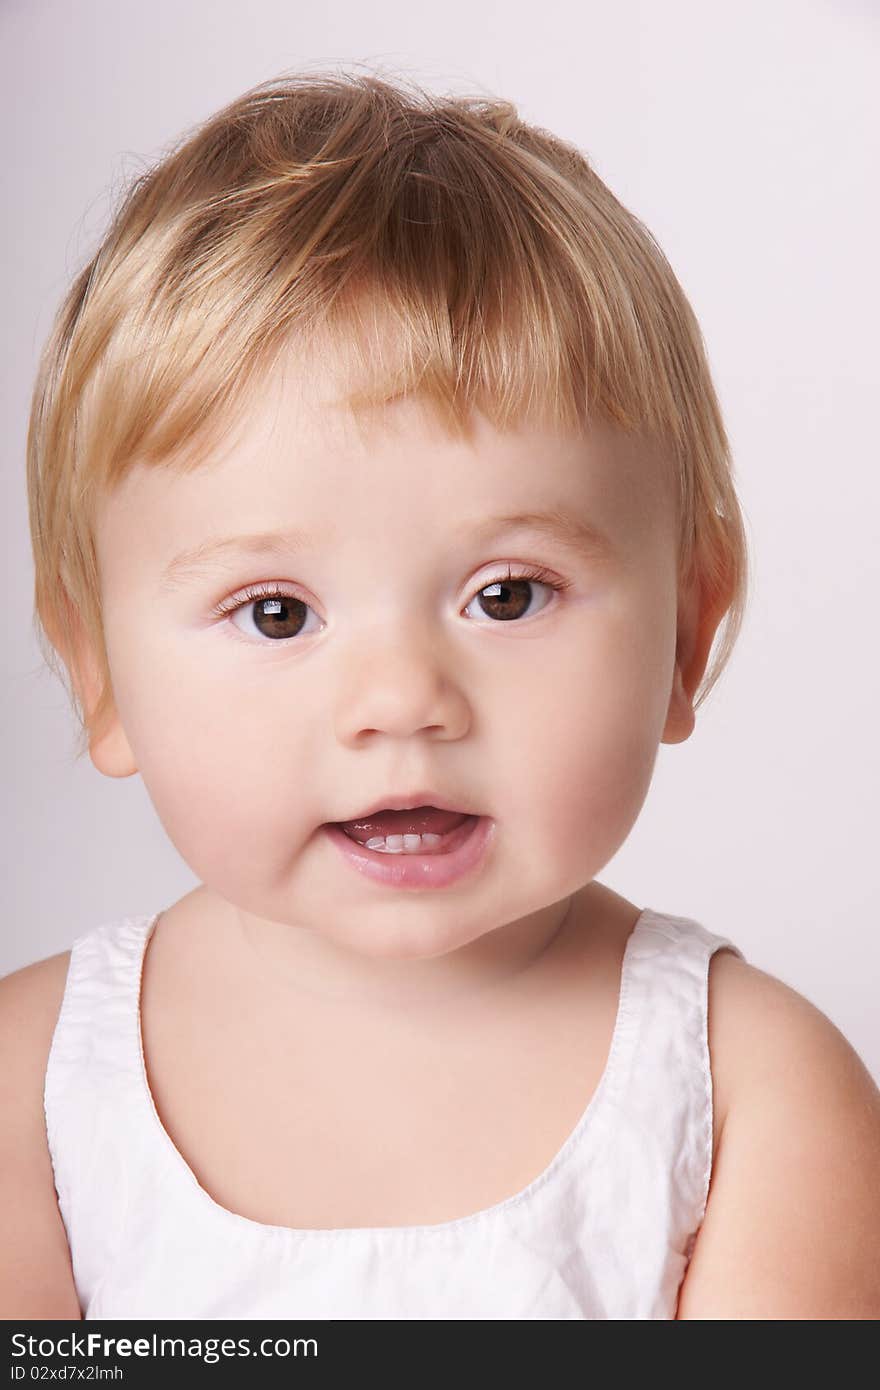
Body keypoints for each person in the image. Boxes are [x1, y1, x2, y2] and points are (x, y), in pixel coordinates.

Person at [3, 68, 879, 1322]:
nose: (401, 701)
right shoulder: (32, 1091)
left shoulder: (758, 1093)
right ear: (101, 678)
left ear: (686, 635)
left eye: (508, 595)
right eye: (276, 612)